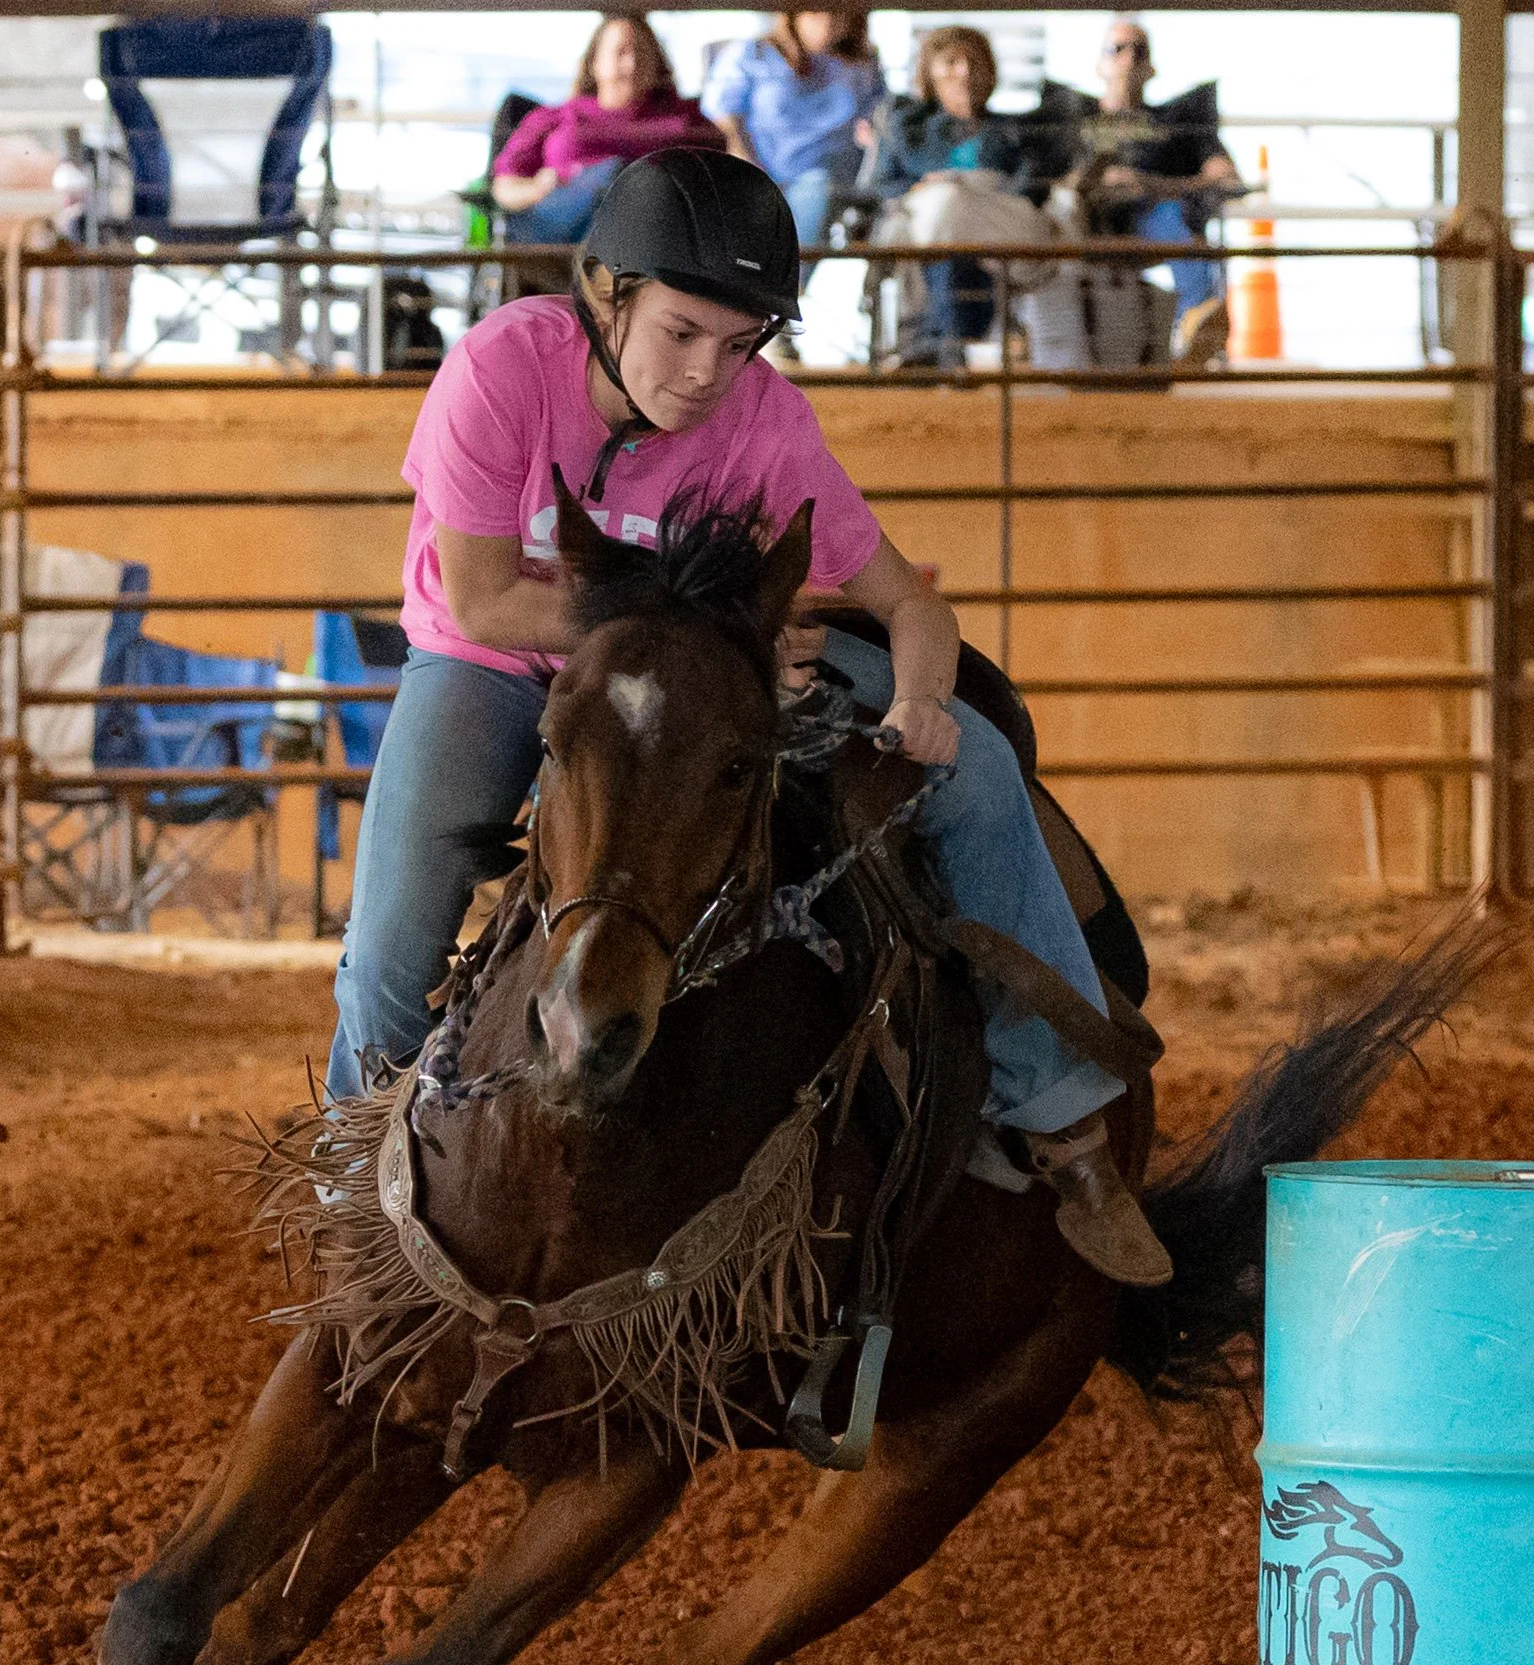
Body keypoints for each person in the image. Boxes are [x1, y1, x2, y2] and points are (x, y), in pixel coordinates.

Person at [327, 149, 1170, 1287]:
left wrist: (921, 700)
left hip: (703, 668)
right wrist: (707, 634)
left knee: (972, 767)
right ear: (607, 296)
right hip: (496, 661)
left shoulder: (766, 423)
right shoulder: (499, 368)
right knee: (393, 929)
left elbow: (913, 605)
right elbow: (482, 598)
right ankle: (354, 1183)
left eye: (740, 344)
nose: (705, 374)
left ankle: (1063, 1122)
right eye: (680, 332)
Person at [865, 25, 1036, 363]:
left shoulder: (1012, 132)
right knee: (943, 213)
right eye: (951, 62)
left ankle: (935, 344)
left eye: (974, 62)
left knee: (954, 215)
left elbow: (1028, 187)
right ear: (929, 72)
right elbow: (883, 186)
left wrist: (971, 188)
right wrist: (922, 188)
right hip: (923, 224)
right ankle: (946, 345)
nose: (964, 72)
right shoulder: (906, 126)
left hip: (990, 222)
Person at [490, 15, 723, 245]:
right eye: (621, 52)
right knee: (620, 175)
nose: (632, 65)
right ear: (595, 62)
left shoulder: (687, 118)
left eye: (641, 54)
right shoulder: (554, 117)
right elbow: (504, 188)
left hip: (659, 220)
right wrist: (537, 188)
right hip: (563, 217)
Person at [1076, 18, 1239, 347]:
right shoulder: (1072, 121)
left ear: (1151, 68)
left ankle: (1195, 324)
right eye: (1117, 49)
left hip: (1154, 220)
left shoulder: (1174, 122)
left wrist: (1153, 185)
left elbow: (1226, 177)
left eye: (1139, 51)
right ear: (1098, 65)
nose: (1129, 59)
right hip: (1083, 221)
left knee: (1173, 216)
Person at [702, 10, 883, 272]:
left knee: (817, 190)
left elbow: (878, 114)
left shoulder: (860, 63)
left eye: (838, 12)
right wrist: (748, 168)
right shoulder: (752, 54)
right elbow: (724, 114)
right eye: (816, 12)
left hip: (833, 180)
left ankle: (789, 280)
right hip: (761, 174)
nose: (829, 21)